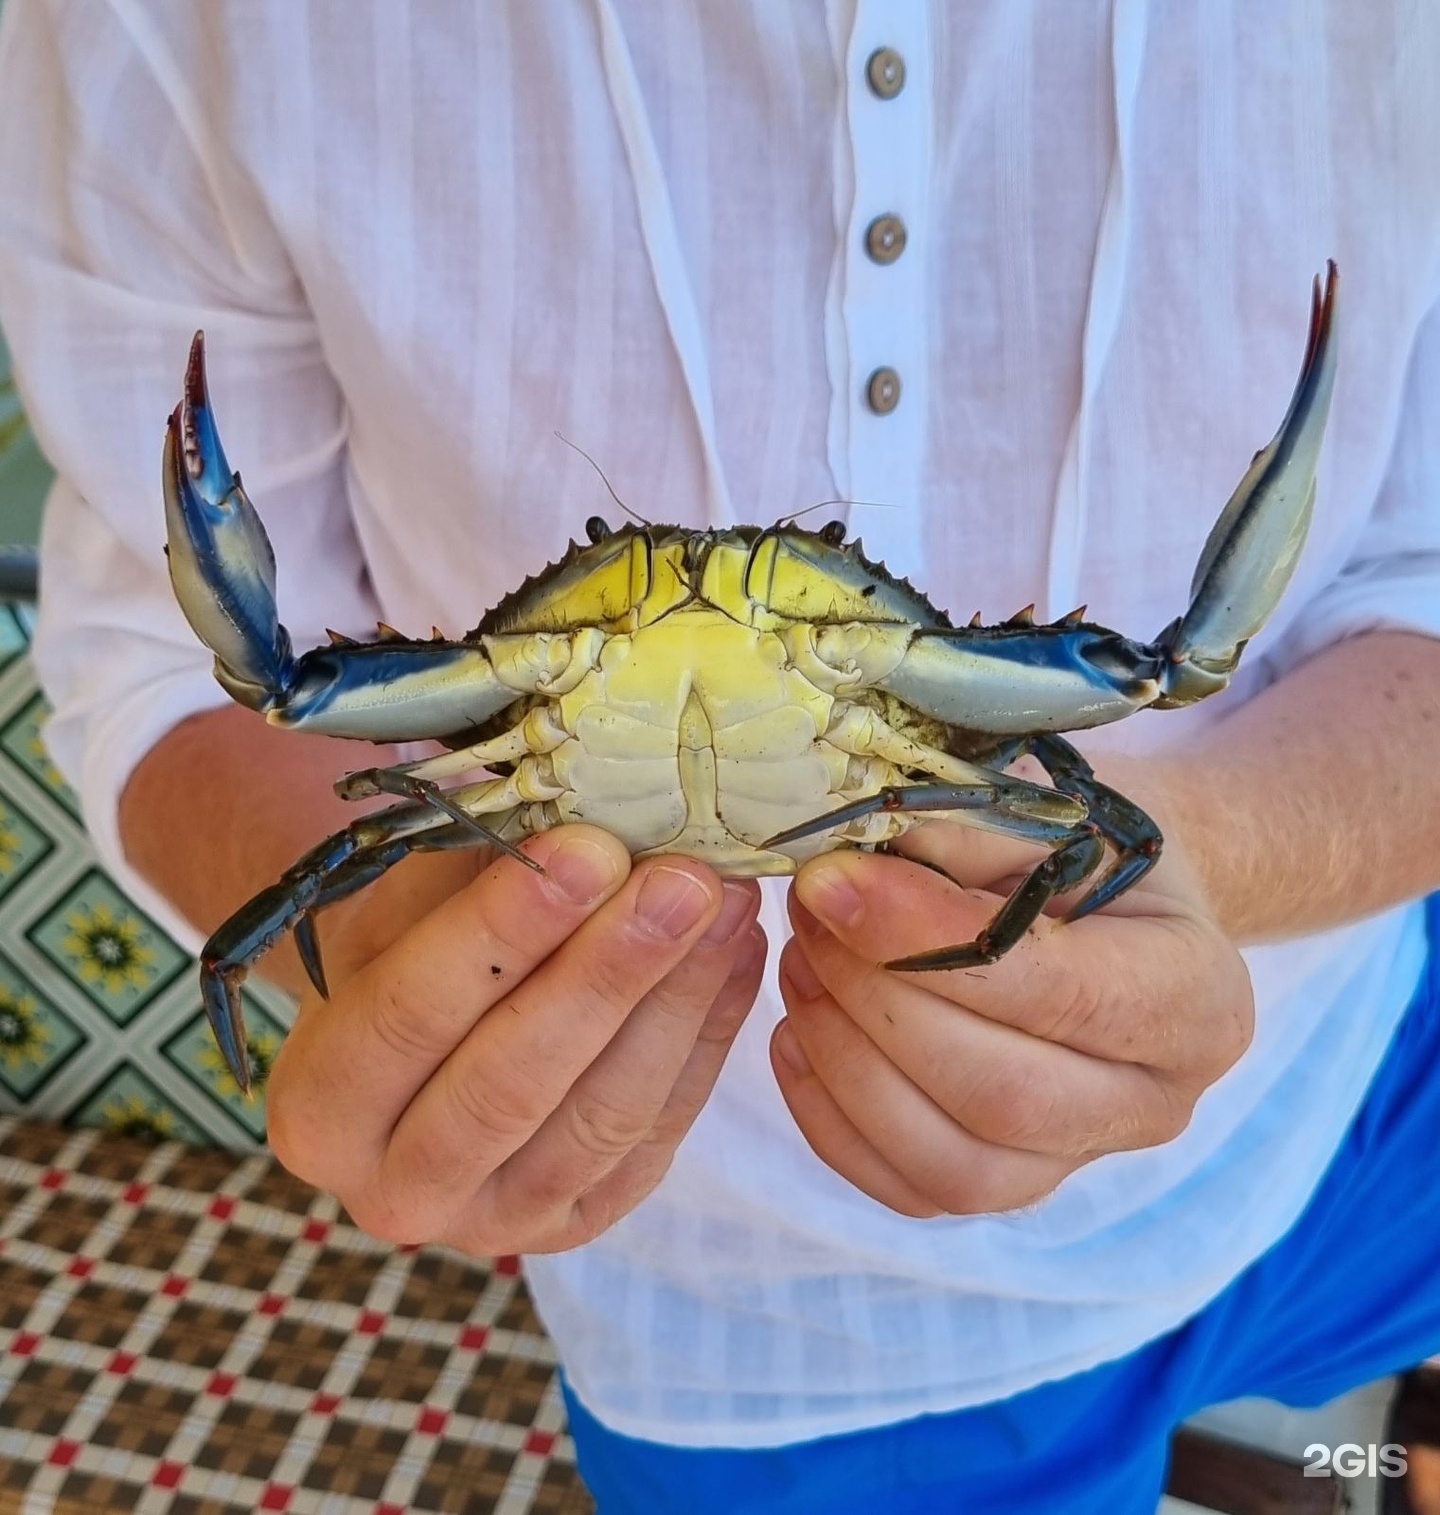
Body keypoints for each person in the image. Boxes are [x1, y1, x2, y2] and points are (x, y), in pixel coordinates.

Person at [2, 4, 1439, 1511]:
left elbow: (1327, 607)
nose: (707, 586)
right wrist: (381, 945)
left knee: (1401, 1420)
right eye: (652, 571)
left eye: (778, 570)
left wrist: (1203, 849)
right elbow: (212, 669)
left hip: (1364, 1076)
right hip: (768, 1325)